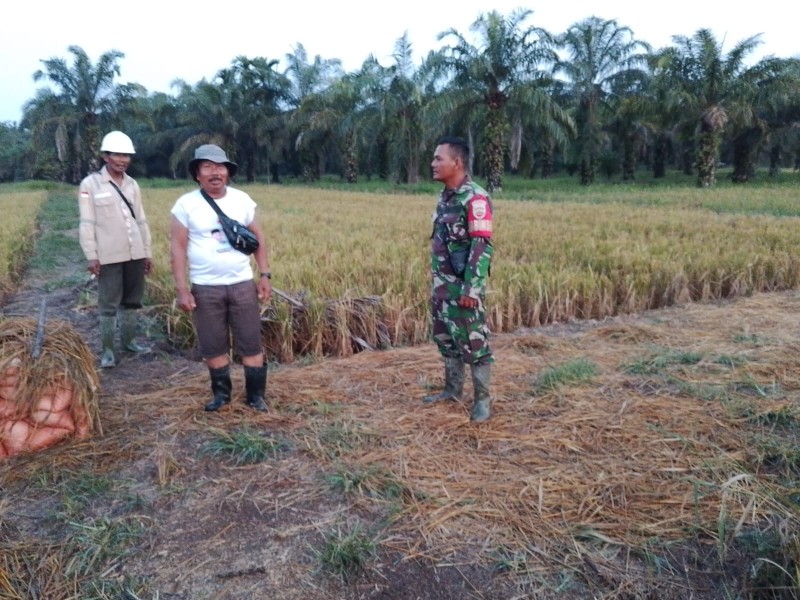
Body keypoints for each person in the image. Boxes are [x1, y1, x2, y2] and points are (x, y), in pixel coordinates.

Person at [169, 144, 272, 412]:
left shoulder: (242, 200)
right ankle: (221, 395)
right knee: (213, 344)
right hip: (205, 288)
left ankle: (255, 396)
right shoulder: (185, 205)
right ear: (197, 174)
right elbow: (178, 249)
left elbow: (258, 239)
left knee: (251, 341)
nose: (215, 172)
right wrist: (182, 289)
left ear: (227, 172)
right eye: (208, 167)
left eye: (220, 167)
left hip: (241, 284)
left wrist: (264, 274)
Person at [424, 136, 495, 422]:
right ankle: (452, 390)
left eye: (438, 158)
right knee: (446, 339)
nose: (433, 163)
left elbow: (481, 245)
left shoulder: (475, 198)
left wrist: (472, 288)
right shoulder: (446, 198)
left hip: (463, 287)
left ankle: (482, 402)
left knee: (474, 342)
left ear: (457, 162)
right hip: (442, 286)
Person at [78, 130, 153, 368]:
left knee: (132, 300)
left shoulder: (132, 184)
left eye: (126, 155)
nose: (122, 160)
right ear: (105, 156)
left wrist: (147, 252)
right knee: (108, 304)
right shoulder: (90, 184)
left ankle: (129, 342)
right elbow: (87, 222)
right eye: (117, 155)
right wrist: (92, 255)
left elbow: (140, 219)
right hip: (108, 255)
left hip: (135, 252)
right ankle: (108, 351)